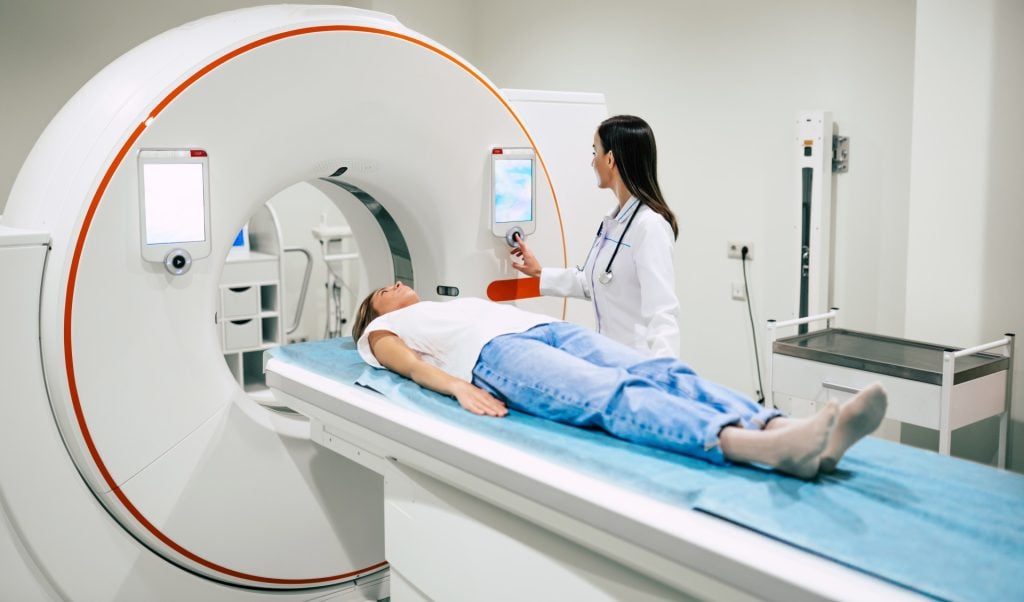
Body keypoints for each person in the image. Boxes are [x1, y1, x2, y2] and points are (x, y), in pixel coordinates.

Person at [351, 283, 888, 479]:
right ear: (372, 312)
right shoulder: (379, 331)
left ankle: (792, 429)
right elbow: (410, 367)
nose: (395, 285)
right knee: (612, 396)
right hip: (497, 356)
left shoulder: (446, 303)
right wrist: (456, 387)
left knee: (657, 370)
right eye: (383, 288)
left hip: (544, 328)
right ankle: (758, 446)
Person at [510, 115, 681, 358]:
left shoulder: (649, 226)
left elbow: (663, 312)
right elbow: (595, 281)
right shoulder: (614, 221)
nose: (592, 162)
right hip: (610, 357)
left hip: (639, 364)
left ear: (610, 159)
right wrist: (540, 272)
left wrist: (663, 374)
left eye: (595, 152)